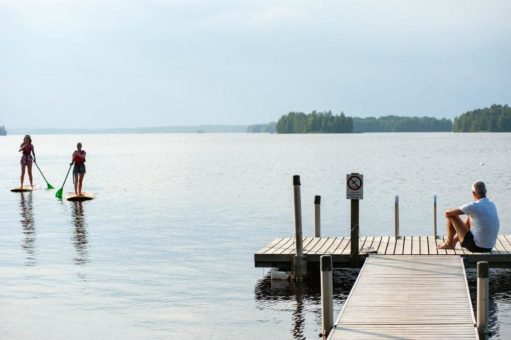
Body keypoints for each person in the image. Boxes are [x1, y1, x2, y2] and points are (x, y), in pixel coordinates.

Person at [438, 181, 500, 252]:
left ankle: (449, 243)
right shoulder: (492, 204)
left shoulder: (473, 205)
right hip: (489, 247)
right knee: (471, 216)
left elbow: (447, 214)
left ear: (473, 193)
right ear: (485, 191)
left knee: (452, 215)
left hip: (476, 247)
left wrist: (448, 211)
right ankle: (454, 242)